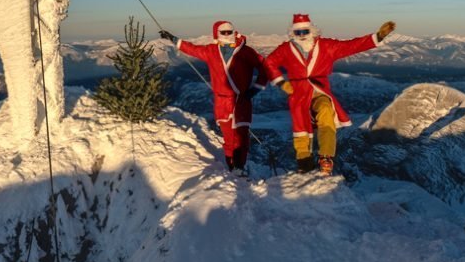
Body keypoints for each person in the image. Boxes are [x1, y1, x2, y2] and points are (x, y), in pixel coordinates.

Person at [263, 14, 396, 175]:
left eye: (305, 31)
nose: (302, 36)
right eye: (298, 33)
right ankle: (304, 161)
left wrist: (377, 37)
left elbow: (351, 46)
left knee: (326, 110)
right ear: (293, 34)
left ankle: (326, 156)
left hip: (319, 90)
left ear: (311, 30)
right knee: (301, 125)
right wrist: (281, 83)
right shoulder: (286, 49)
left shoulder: (326, 46)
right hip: (297, 93)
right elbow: (269, 63)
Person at [159, 21, 268, 174]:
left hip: (241, 100)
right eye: (223, 32)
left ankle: (239, 167)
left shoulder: (246, 51)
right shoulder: (211, 51)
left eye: (230, 31)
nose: (227, 35)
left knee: (242, 138)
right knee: (229, 139)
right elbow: (192, 49)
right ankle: (232, 168)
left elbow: (266, 68)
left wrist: (256, 88)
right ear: (217, 34)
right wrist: (173, 39)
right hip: (223, 102)